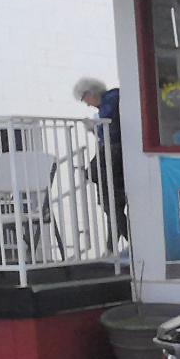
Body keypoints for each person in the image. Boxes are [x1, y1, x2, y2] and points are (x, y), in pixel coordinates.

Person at [73, 76, 128, 239]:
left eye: (85, 99)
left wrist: (95, 128)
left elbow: (111, 131)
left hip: (115, 154)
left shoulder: (110, 102)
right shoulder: (114, 99)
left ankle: (130, 242)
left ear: (90, 93)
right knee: (112, 205)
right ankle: (114, 245)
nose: (87, 104)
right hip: (117, 154)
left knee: (110, 204)